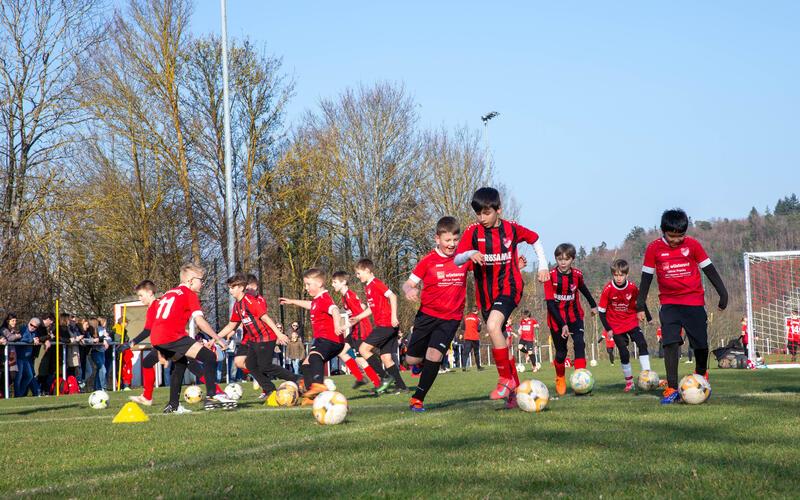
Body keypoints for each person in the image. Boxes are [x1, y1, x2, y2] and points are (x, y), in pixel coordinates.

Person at [454, 187, 549, 407]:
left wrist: (543, 265)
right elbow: (457, 260)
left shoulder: (511, 229)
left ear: (499, 209)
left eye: (486, 213)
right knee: (500, 339)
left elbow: (535, 239)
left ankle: (504, 379)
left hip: (510, 288)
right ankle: (514, 394)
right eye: (478, 213)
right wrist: (470, 254)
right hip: (485, 296)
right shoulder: (473, 232)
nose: (482, 218)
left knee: (494, 325)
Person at [636, 208, 728, 404]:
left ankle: (701, 375)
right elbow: (646, 278)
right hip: (669, 303)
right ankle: (671, 387)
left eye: (680, 236)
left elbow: (709, 270)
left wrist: (723, 293)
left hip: (694, 302)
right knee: (670, 342)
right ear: (663, 231)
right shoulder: (654, 248)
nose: (676, 240)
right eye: (672, 236)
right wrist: (640, 304)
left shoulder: (693, 245)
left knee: (701, 345)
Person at [402, 216, 470, 411]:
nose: (452, 244)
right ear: (437, 239)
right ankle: (419, 364)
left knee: (435, 355)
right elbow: (408, 283)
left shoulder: (464, 259)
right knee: (412, 360)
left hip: (450, 318)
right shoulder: (428, 261)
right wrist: (409, 290)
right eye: (447, 240)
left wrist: (515, 264)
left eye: (455, 240)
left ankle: (418, 399)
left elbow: (489, 268)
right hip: (427, 315)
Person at [150, 263, 236, 413]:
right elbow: (200, 322)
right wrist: (218, 339)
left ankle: (173, 405)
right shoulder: (189, 294)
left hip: (157, 338)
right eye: (200, 280)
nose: (202, 283)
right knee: (209, 356)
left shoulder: (169, 293)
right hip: (172, 336)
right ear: (190, 281)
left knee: (181, 364)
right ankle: (211, 396)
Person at [218, 273, 298, 403]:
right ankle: (269, 389)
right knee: (250, 364)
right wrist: (214, 338)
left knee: (264, 366)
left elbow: (265, 317)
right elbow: (231, 325)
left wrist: (279, 334)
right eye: (230, 287)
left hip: (266, 337)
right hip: (255, 339)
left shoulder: (249, 301)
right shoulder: (237, 305)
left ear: (241, 287)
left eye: (232, 287)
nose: (230, 290)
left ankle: (296, 378)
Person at [280, 268, 346, 405]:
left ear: (320, 283)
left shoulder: (324, 298)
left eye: (308, 284)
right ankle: (313, 397)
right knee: (306, 365)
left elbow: (334, 310)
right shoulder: (317, 301)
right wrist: (292, 301)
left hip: (330, 339)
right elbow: (310, 305)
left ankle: (318, 386)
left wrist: (337, 325)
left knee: (315, 356)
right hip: (327, 340)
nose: (306, 287)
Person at [543, 243, 598, 396]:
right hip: (556, 318)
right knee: (561, 352)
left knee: (580, 343)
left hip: (575, 316)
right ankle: (560, 377)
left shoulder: (577, 275)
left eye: (566, 259)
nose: (563, 262)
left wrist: (593, 305)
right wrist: (562, 325)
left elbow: (583, 289)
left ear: (572, 259)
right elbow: (550, 303)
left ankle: (581, 382)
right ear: (556, 259)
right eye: (560, 259)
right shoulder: (550, 276)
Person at [598, 259, 654, 392]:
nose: (618, 278)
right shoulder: (608, 289)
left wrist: (649, 317)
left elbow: (641, 302)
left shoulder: (632, 287)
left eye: (621, 275)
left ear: (626, 275)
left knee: (642, 344)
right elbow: (601, 312)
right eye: (616, 275)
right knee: (624, 352)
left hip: (631, 321)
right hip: (615, 325)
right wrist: (608, 329)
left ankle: (647, 375)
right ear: (613, 275)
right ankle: (629, 382)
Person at [351, 258, 405, 394]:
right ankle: (401, 386)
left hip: (386, 325)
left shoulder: (376, 283)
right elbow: (372, 308)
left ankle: (385, 377)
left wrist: (394, 316)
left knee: (363, 349)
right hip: (387, 326)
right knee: (386, 358)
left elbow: (393, 296)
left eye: (359, 273)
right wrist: (358, 317)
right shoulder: (368, 287)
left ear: (367, 271)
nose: (357, 276)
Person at [331, 271, 381, 389]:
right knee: (341, 352)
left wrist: (343, 327)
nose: (333, 285)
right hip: (355, 330)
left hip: (361, 330)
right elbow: (361, 307)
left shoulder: (349, 296)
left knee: (360, 359)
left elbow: (358, 316)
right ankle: (360, 377)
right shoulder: (345, 296)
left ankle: (378, 383)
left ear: (343, 282)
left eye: (334, 282)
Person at [14, 318, 41, 397]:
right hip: (19, 357)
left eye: (35, 326)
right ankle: (17, 395)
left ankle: (20, 394)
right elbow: (22, 338)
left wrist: (37, 339)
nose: (32, 327)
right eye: (31, 324)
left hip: (26, 359)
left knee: (29, 376)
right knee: (18, 378)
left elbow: (36, 339)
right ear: (29, 323)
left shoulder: (35, 332)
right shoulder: (24, 328)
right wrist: (32, 340)